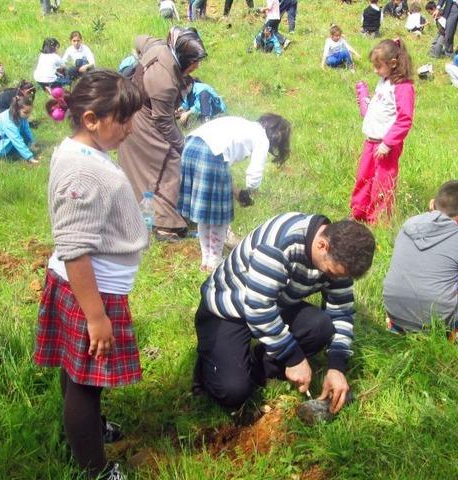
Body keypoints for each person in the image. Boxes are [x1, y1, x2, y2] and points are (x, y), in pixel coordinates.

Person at [34, 70, 147, 480]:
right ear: (91, 119)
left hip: (85, 287)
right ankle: (94, 469)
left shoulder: (81, 153)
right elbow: (76, 249)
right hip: (90, 290)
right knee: (86, 384)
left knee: (76, 371)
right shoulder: (85, 173)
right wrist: (96, 316)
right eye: (123, 119)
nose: (129, 128)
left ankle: (88, 433)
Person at [191, 213, 376, 413]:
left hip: (274, 304)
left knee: (320, 326)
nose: (334, 278)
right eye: (331, 273)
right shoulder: (279, 245)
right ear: (322, 245)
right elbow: (258, 310)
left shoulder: (339, 257)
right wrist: (293, 358)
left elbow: (341, 312)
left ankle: (257, 364)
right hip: (229, 308)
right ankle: (209, 367)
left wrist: (337, 366)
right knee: (233, 391)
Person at [118, 27, 207, 242]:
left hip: (140, 112)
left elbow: (138, 37)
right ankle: (165, 225)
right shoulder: (164, 82)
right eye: (195, 62)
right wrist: (183, 146)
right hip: (142, 122)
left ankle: (168, 214)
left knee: (153, 171)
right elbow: (164, 122)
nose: (197, 66)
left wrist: (140, 62)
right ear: (184, 58)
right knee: (172, 166)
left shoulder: (157, 46)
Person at [383, 181, 458, 339]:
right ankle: (453, 333)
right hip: (436, 320)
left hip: (394, 311)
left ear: (432, 203)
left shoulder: (407, 225)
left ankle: (398, 327)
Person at [178, 114, 292, 271]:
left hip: (190, 147)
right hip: (210, 154)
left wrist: (237, 192)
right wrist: (252, 190)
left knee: (205, 214)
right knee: (219, 216)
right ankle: (215, 261)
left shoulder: (243, 124)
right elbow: (254, 174)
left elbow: (222, 163)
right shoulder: (261, 138)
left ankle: (206, 260)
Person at [351, 39, 415, 224]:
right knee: (364, 176)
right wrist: (366, 103)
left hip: (386, 144)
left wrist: (388, 143)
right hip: (371, 141)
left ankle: (378, 220)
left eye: (378, 66)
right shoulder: (384, 81)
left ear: (393, 64)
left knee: (382, 182)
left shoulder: (403, 87)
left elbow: (404, 119)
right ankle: (359, 212)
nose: (375, 70)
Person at [0, 96, 38, 164]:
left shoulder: (21, 117)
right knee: (16, 140)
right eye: (26, 112)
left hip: (4, 138)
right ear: (17, 110)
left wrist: (32, 143)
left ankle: (15, 152)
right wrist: (30, 157)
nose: (28, 115)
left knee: (20, 141)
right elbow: (16, 139)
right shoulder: (8, 121)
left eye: (30, 112)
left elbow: (26, 130)